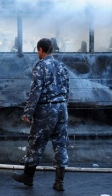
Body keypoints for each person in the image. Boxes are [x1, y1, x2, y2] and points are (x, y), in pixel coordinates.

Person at [12, 38, 70, 192]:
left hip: (46, 109)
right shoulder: (62, 66)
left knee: (36, 142)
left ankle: (28, 177)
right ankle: (59, 182)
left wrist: (28, 112)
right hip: (62, 107)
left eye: (37, 50)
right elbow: (67, 88)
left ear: (40, 49)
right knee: (60, 143)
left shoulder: (41, 66)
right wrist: (63, 106)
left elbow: (35, 91)